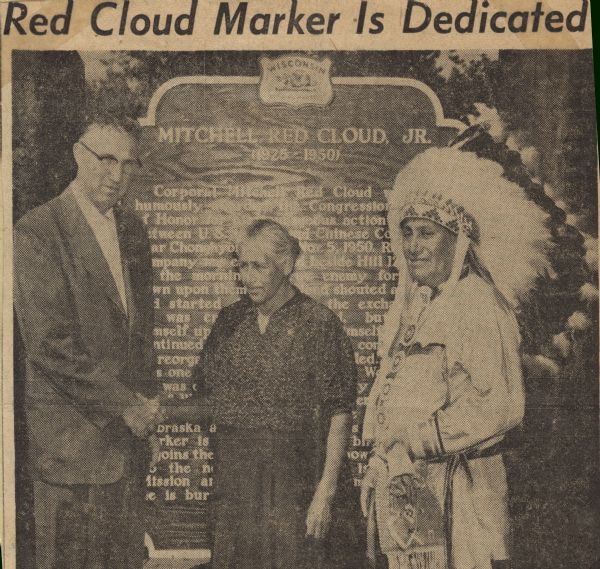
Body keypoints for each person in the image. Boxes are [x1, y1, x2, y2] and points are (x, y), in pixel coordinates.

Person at [361, 148, 554, 569]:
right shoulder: (420, 306)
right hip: (412, 487)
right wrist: (381, 455)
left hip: (464, 490)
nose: (413, 246)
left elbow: (500, 405)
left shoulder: (480, 306)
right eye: (407, 233)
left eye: (426, 233)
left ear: (457, 240)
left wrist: (414, 440)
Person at [13, 118, 161, 569]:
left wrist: (148, 410)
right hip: (71, 452)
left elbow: (140, 335)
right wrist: (126, 404)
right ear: (79, 155)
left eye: (128, 163)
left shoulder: (133, 231)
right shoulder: (39, 231)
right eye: (106, 159)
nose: (117, 175)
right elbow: (49, 345)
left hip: (124, 451)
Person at [192, 219, 361, 569]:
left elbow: (340, 413)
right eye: (243, 265)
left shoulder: (319, 323)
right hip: (238, 486)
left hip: (294, 485)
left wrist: (324, 494)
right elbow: (205, 390)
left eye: (259, 265)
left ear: (286, 266)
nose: (248, 276)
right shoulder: (229, 321)